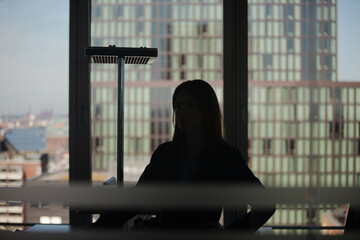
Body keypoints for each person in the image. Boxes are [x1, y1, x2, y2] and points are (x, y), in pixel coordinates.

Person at [91, 79, 275, 232]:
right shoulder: (164, 154)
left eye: (190, 106)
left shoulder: (226, 157)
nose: (181, 113)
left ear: (206, 110)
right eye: (178, 107)